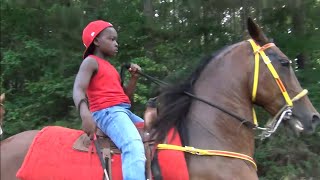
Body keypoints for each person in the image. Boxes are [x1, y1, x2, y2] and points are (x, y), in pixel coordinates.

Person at [73, 20, 145, 180]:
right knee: (132, 144)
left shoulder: (111, 68)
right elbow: (78, 88)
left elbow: (125, 98)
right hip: (107, 112)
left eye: (116, 40)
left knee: (153, 134)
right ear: (96, 41)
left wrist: (133, 79)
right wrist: (85, 114)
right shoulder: (90, 61)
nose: (116, 44)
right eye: (111, 39)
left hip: (123, 111)